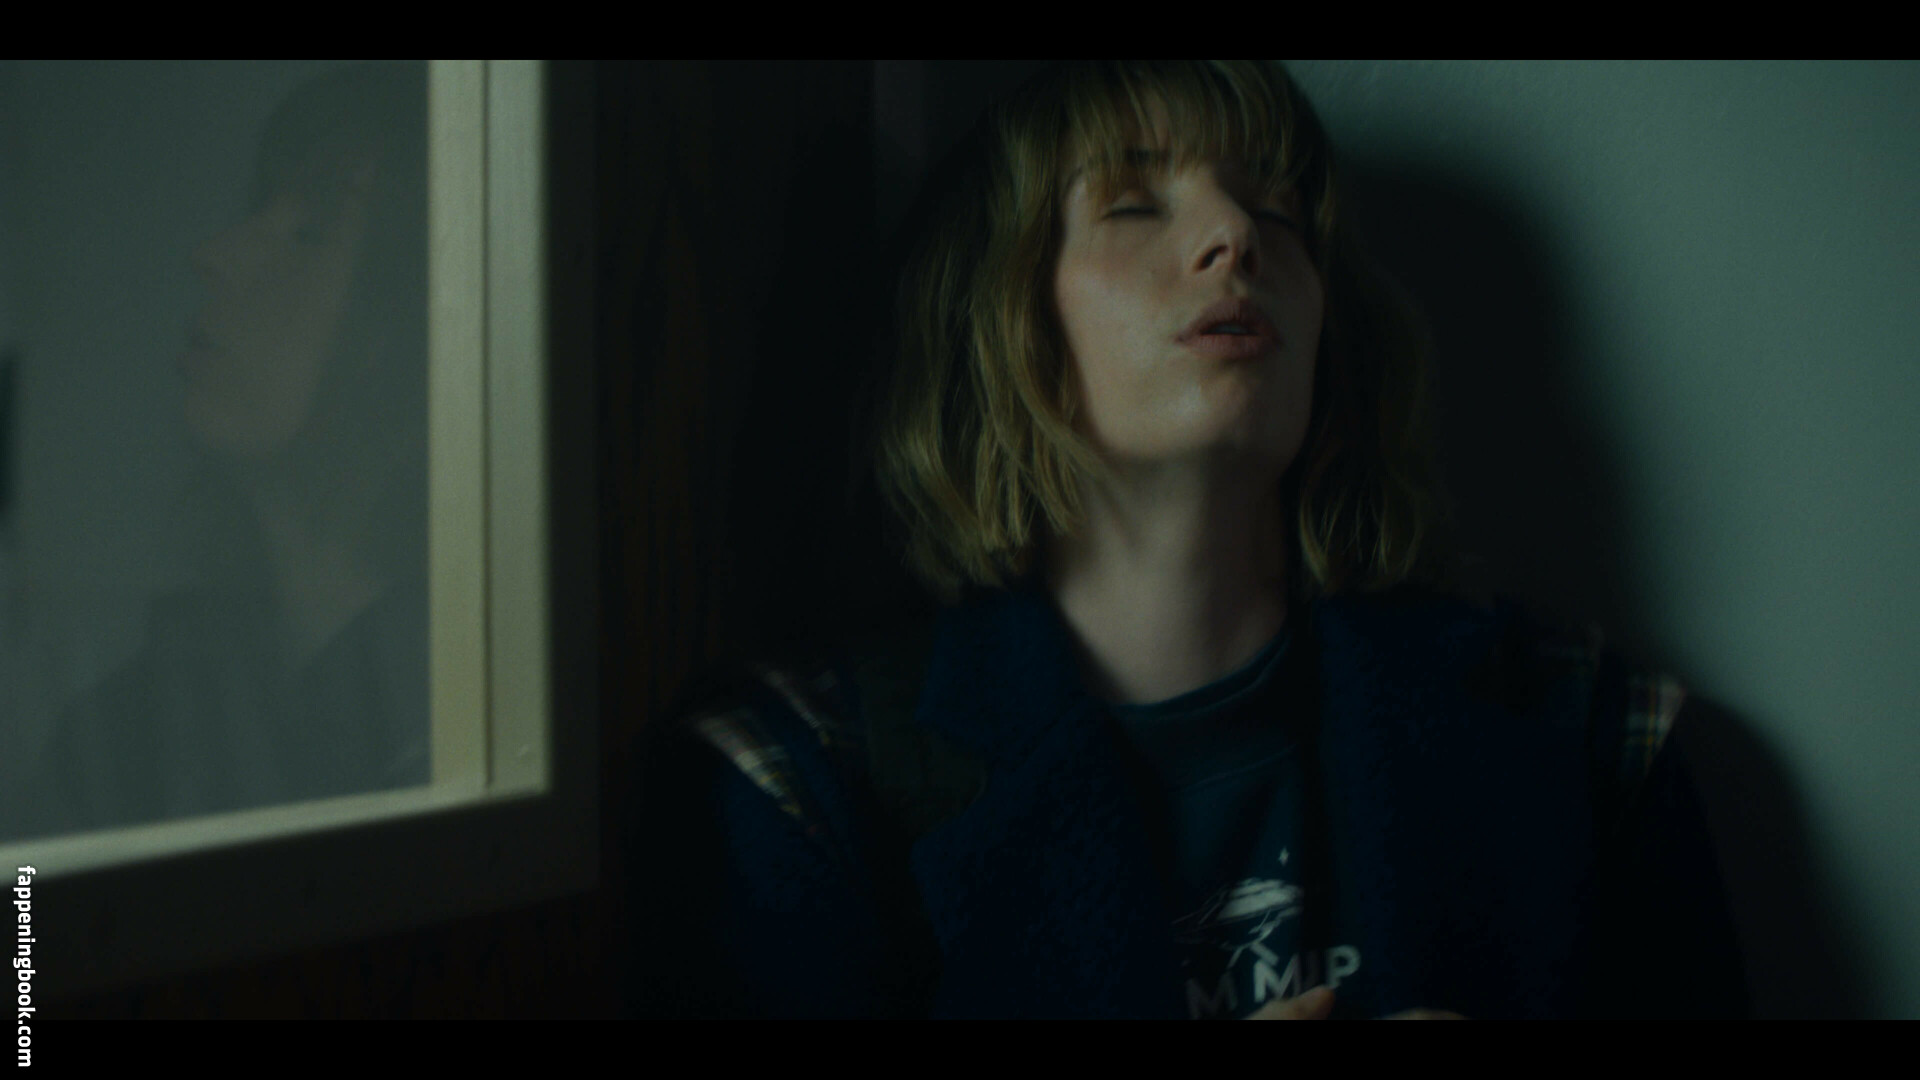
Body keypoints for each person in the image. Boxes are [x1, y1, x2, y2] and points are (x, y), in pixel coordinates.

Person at [623, 60, 1751, 1020]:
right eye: (1130, 205)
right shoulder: (801, 783)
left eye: (1279, 211)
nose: (1233, 237)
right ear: (998, 314)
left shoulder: (1583, 732)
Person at [4, 61, 430, 840]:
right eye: (259, 211)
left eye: (310, 233)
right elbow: (28, 916)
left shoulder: (470, 713)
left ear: (411, 328)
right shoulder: (130, 728)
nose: (213, 253)